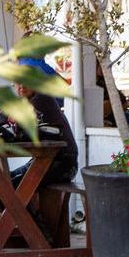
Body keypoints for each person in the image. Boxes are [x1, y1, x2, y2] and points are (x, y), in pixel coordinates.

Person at [9, 57, 79, 186]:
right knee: (7, 180)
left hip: (62, 164)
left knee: (10, 186)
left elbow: (16, 128)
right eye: (18, 82)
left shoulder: (41, 99)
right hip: (45, 160)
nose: (22, 86)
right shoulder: (28, 101)